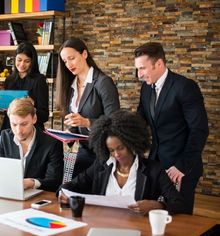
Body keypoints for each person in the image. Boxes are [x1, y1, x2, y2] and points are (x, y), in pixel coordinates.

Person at [58, 110, 187, 215]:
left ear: (131, 143)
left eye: (120, 148)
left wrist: (157, 205)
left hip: (138, 228)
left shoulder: (153, 170)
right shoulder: (101, 166)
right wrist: (63, 194)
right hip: (102, 225)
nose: (116, 154)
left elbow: (180, 204)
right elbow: (69, 186)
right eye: (111, 150)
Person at [135, 42, 209, 214]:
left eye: (142, 68)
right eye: (137, 69)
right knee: (152, 215)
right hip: (156, 165)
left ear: (159, 64)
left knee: (180, 221)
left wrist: (181, 166)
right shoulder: (146, 88)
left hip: (181, 168)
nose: (139, 75)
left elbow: (199, 130)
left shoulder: (185, 87)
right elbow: (139, 121)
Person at [55, 38, 120, 177]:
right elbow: (75, 125)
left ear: (84, 54)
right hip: (80, 151)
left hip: (102, 152)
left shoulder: (103, 82)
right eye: (65, 61)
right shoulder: (70, 86)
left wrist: (87, 122)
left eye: (72, 58)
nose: (69, 64)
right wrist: (67, 133)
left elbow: (115, 122)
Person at [0, 98, 63, 192]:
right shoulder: (4, 137)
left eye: (24, 124)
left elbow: (54, 182)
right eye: (14, 124)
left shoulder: (52, 143)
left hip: (40, 198)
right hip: (8, 193)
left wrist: (32, 183)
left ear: (34, 119)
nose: (19, 131)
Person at [1, 42, 49, 130]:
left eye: (27, 61)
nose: (22, 64)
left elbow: (45, 116)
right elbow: (7, 112)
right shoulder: (9, 79)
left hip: (32, 130)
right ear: (15, 59)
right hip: (10, 129)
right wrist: (1, 105)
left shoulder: (39, 80)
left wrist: (32, 106)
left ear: (32, 62)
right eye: (19, 60)